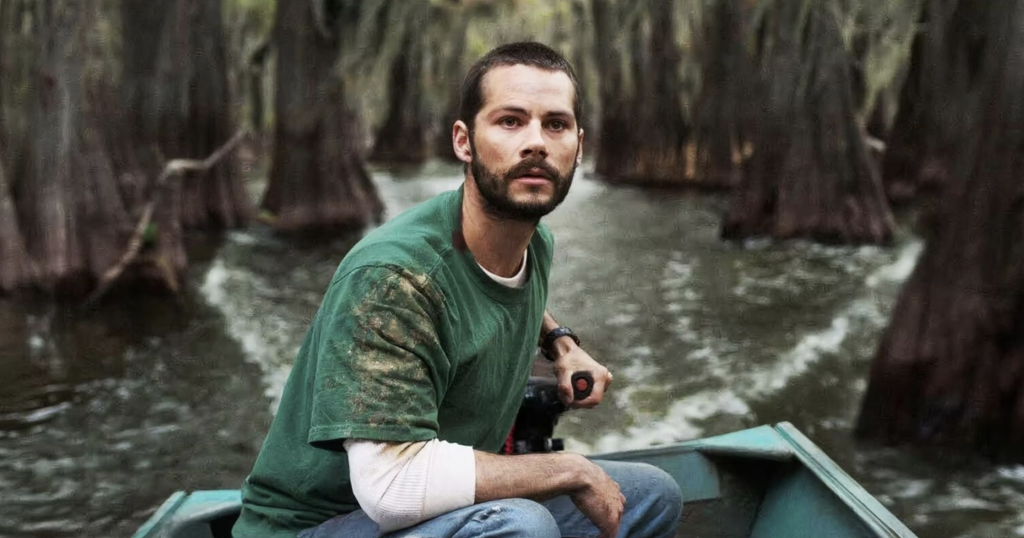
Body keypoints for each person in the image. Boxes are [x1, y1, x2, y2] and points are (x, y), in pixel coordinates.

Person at [232, 42, 683, 538]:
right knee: (521, 526)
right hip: (319, 524)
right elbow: (393, 489)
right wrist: (569, 469)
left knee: (652, 495)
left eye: (554, 124)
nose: (535, 142)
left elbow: (497, 291)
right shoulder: (392, 279)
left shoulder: (534, 244)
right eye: (510, 121)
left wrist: (561, 343)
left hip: (431, 511)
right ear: (464, 142)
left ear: (578, 144)